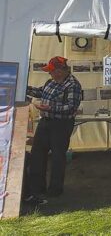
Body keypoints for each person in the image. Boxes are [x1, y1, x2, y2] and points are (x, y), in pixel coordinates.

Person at [25, 56, 82, 204]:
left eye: (51, 71)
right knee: (37, 153)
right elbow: (40, 92)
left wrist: (49, 107)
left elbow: (71, 107)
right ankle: (37, 187)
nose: (49, 74)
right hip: (46, 122)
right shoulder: (51, 81)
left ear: (60, 70)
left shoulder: (73, 85)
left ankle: (55, 189)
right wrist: (24, 89)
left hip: (61, 125)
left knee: (58, 156)